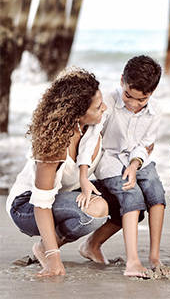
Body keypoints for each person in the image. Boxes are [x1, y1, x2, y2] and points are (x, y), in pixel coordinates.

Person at [6, 67, 109, 277]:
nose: (105, 108)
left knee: (125, 194)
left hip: (62, 196)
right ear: (78, 113)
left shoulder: (92, 126)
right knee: (96, 210)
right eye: (98, 107)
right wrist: (54, 261)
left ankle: (62, 246)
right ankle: (47, 249)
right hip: (27, 206)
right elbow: (41, 204)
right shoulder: (52, 147)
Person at [79, 55, 167, 278]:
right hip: (109, 161)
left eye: (142, 99)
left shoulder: (155, 110)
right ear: (122, 81)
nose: (133, 103)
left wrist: (135, 164)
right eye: (129, 96)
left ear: (152, 92)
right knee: (132, 193)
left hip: (136, 159)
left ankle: (154, 257)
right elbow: (91, 139)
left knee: (155, 189)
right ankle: (133, 262)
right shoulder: (106, 104)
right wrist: (83, 175)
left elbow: (145, 144)